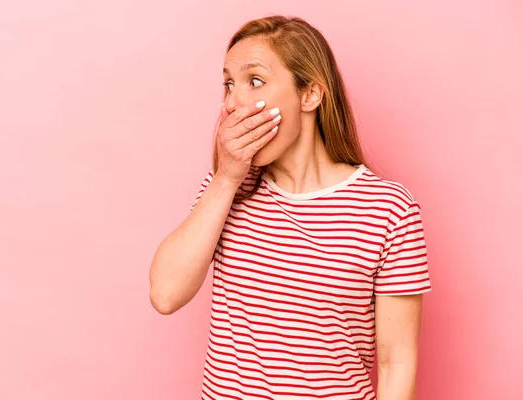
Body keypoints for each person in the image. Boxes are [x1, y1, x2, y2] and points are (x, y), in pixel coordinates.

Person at [149, 15, 431, 400]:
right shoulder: (228, 189)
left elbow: (396, 363)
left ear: (310, 94)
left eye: (255, 81)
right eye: (228, 85)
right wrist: (228, 177)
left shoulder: (388, 210)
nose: (232, 103)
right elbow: (165, 294)